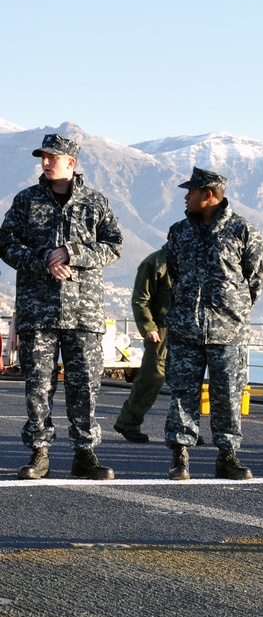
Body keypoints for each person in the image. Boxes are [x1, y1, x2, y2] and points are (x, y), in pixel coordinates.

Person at [0, 133, 123, 480]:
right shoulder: (26, 201)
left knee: (85, 384)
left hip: (84, 313)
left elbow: (114, 245)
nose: (45, 163)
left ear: (71, 162)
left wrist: (75, 253)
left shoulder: (95, 203)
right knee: (38, 384)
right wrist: (43, 260)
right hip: (38, 311)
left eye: (52, 157)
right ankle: (39, 453)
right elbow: (6, 244)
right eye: (43, 157)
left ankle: (85, 453)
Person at [163, 167, 263, 481]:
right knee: (183, 394)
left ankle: (227, 456)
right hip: (186, 328)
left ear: (208, 195)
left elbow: (257, 274)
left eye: (191, 192)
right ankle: (180, 456)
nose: (185, 196)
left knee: (228, 395)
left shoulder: (242, 230)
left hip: (229, 331)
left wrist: (235, 306)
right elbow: (175, 273)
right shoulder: (179, 232)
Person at [113, 247, 170, 443]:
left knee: (186, 384)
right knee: (151, 378)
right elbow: (141, 299)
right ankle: (128, 422)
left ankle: (184, 429)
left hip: (189, 330)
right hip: (162, 330)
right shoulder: (156, 262)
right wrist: (148, 327)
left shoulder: (192, 259)